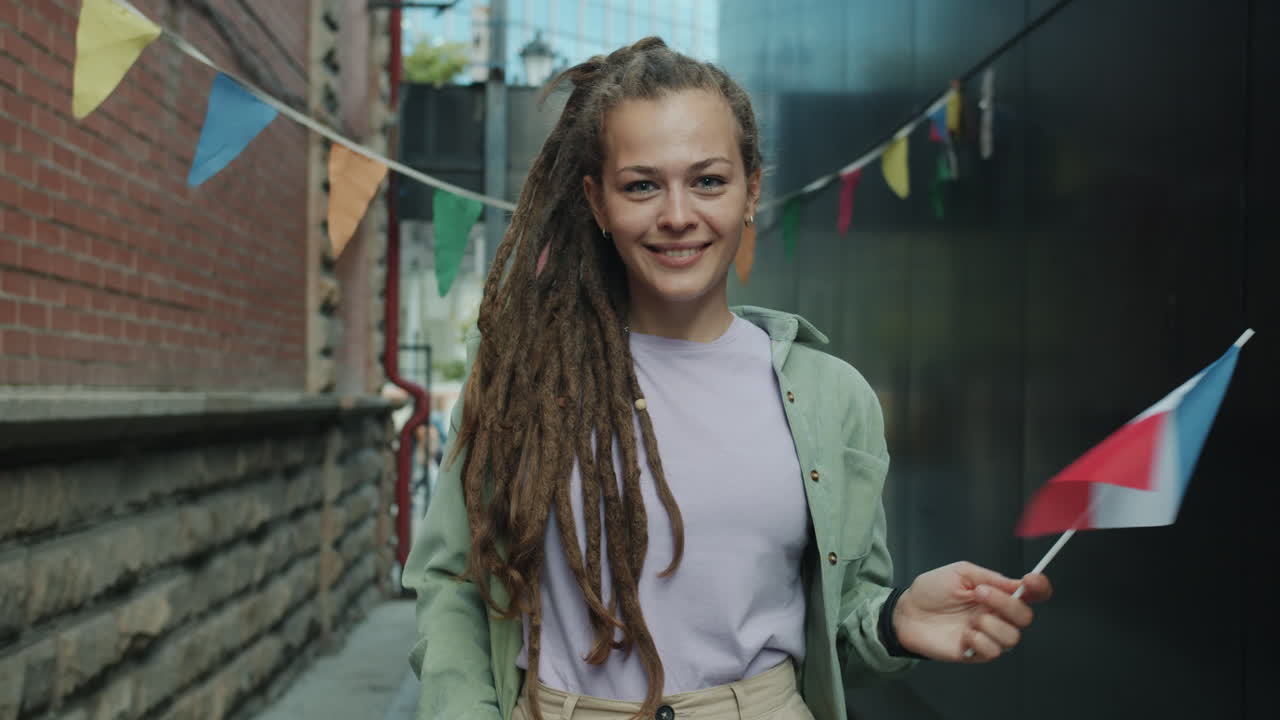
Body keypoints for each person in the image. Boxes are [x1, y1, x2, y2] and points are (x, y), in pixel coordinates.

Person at [403, 38, 1052, 720]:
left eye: (708, 180)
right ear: (597, 203)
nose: (678, 214)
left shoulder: (833, 398)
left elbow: (837, 630)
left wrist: (894, 623)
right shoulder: (524, 379)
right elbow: (455, 584)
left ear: (752, 189)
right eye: (642, 185)